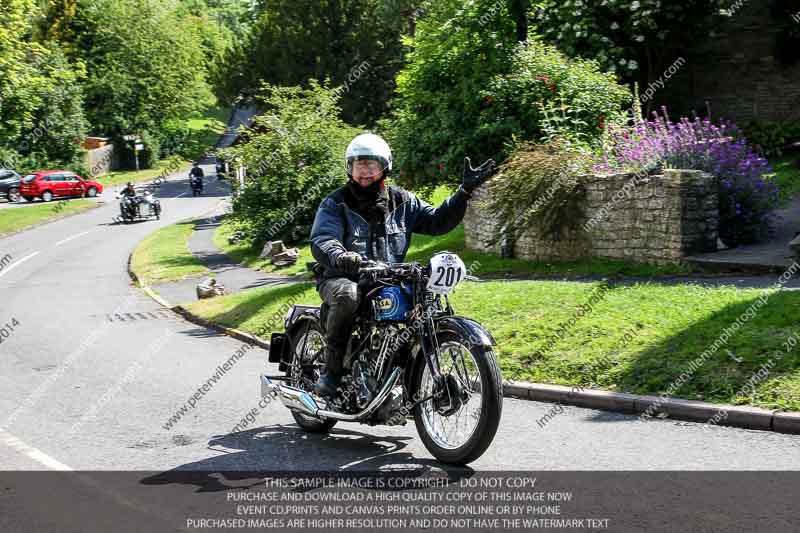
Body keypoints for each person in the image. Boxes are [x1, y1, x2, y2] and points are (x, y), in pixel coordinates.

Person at [309, 133, 494, 397]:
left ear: (385, 167)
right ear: (349, 168)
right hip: (343, 276)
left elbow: (437, 221)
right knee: (348, 296)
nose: (364, 172)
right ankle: (332, 372)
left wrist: (463, 194)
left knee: (420, 301)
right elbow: (323, 238)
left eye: (370, 165)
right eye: (357, 165)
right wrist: (340, 255)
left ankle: (396, 372)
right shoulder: (335, 203)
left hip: (387, 277)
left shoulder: (404, 201)